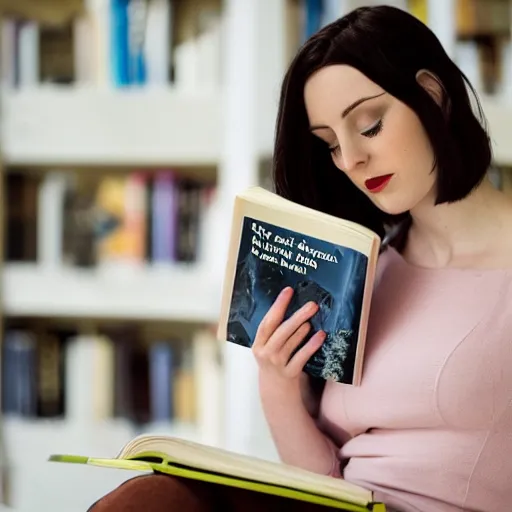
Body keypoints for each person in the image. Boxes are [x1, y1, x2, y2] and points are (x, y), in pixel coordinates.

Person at [88, 5, 512, 512]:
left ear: (433, 95)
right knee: (145, 501)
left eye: (370, 125)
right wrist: (279, 386)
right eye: (330, 144)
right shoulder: (367, 270)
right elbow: (324, 480)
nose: (351, 158)